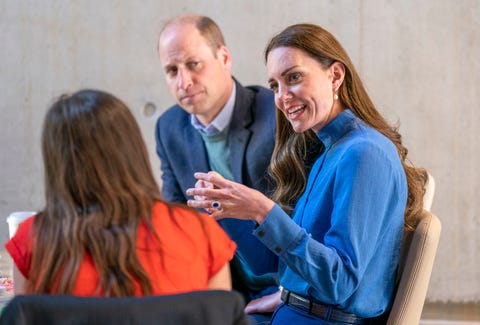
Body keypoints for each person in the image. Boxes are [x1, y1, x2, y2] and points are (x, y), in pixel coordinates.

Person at [186, 23, 428, 324]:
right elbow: (271, 263)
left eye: (294, 78)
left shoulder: (364, 153)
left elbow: (338, 282)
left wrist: (264, 210)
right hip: (293, 312)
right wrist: (230, 211)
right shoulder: (331, 150)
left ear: (335, 75)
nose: (282, 96)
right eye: (275, 85)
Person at [4, 89, 236, 297]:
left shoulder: (31, 241)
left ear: (56, 162)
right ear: (133, 150)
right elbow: (220, 316)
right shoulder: (199, 232)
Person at [155, 13, 279, 321]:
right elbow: (174, 219)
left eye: (193, 64)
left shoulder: (275, 114)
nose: (184, 81)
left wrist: (292, 292)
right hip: (219, 291)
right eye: (172, 70)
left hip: (284, 288)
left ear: (224, 57)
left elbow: (310, 215)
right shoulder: (169, 127)